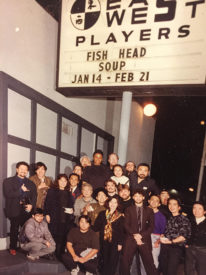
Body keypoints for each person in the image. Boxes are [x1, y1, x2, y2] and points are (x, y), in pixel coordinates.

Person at [120, 189, 158, 275]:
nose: (137, 198)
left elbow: (151, 227)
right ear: (133, 197)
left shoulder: (149, 210)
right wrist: (136, 235)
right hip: (131, 238)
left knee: (149, 263)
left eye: (140, 196)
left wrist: (140, 236)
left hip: (144, 238)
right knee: (125, 262)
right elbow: (126, 225)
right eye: (136, 196)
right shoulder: (128, 209)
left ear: (143, 197)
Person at [3, 161, 37, 255]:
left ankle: (27, 248)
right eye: (21, 169)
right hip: (14, 209)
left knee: (28, 230)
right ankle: (12, 247)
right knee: (14, 229)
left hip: (27, 209)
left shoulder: (30, 183)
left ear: (27, 171)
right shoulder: (8, 181)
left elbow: (34, 196)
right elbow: (8, 194)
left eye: (25, 170)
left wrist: (32, 205)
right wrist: (20, 190)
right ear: (17, 169)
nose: (23, 171)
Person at [159, 197, 191, 275]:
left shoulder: (184, 219)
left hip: (175, 248)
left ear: (179, 207)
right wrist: (163, 235)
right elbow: (167, 232)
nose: (171, 206)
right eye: (170, 204)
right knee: (164, 269)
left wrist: (171, 241)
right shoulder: (169, 218)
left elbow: (183, 236)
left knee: (171, 271)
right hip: (165, 246)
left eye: (174, 204)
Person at [93, 195, 124, 275]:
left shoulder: (121, 216)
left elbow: (122, 232)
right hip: (103, 240)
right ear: (108, 203)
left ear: (118, 204)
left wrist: (120, 243)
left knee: (112, 261)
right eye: (111, 202)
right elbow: (96, 228)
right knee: (103, 260)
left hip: (115, 242)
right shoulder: (102, 214)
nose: (113, 204)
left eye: (115, 202)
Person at [44, 174, 73, 258]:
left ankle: (60, 254)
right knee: (53, 235)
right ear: (58, 181)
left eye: (65, 181)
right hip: (54, 216)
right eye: (61, 180)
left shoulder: (68, 192)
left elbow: (71, 205)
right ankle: (51, 252)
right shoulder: (51, 191)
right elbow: (46, 204)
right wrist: (47, 214)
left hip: (65, 217)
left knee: (63, 236)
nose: (63, 182)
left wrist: (72, 210)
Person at [185, 201, 206, 275]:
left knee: (202, 271)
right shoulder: (189, 220)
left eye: (199, 208)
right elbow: (185, 233)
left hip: (203, 250)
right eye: (194, 208)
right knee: (188, 270)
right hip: (190, 249)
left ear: (204, 211)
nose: (196, 210)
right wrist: (187, 243)